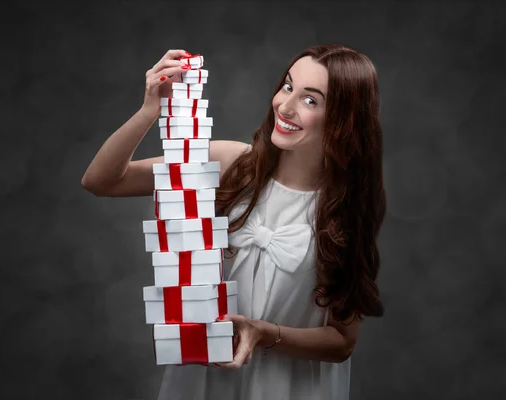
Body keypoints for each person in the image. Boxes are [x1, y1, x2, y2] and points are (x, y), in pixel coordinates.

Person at [82, 44, 386, 400]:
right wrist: (150, 110)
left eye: (311, 100)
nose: (284, 107)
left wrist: (262, 332)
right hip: (204, 381)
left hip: (290, 387)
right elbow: (101, 181)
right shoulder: (231, 163)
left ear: (344, 121)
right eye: (288, 86)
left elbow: (341, 342)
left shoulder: (345, 208)